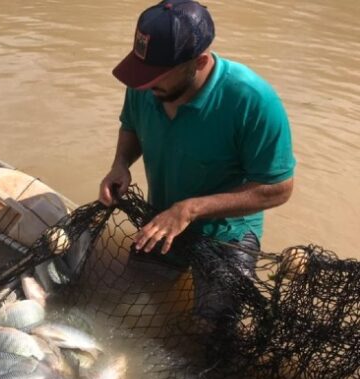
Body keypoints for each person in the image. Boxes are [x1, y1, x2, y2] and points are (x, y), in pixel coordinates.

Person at [98, 0, 296, 328]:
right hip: (162, 217)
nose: (145, 85)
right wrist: (120, 164)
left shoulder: (253, 101)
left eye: (156, 77)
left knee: (215, 327)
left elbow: (278, 189)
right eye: (142, 74)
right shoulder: (144, 85)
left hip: (227, 232)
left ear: (199, 61)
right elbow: (131, 125)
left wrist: (190, 210)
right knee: (129, 301)